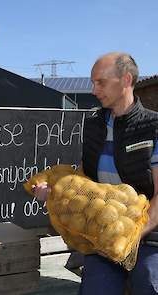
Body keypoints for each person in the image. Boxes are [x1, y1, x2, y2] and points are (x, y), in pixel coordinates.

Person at [33, 52, 158, 294]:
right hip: (102, 236)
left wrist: (131, 237)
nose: (93, 90)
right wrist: (54, 193)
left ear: (126, 80)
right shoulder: (93, 125)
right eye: (93, 82)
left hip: (149, 237)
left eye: (100, 82)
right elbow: (84, 180)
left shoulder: (153, 127)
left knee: (149, 285)